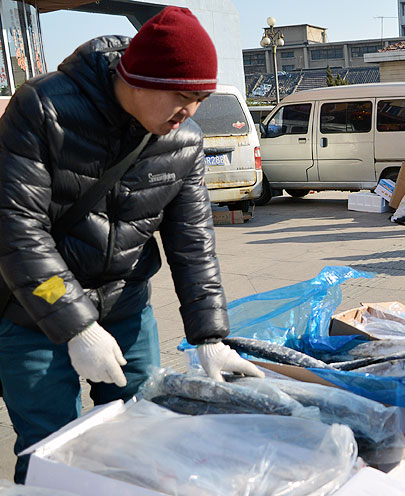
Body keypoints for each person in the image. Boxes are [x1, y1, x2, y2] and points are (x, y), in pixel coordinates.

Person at [0, 7, 265, 482]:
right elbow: (15, 229)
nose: (191, 112)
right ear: (139, 80)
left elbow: (193, 242)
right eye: (184, 97)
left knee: (142, 434)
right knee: (47, 448)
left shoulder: (183, 139)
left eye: (201, 99)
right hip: (32, 310)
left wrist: (210, 336)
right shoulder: (44, 108)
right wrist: (76, 326)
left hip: (125, 306)